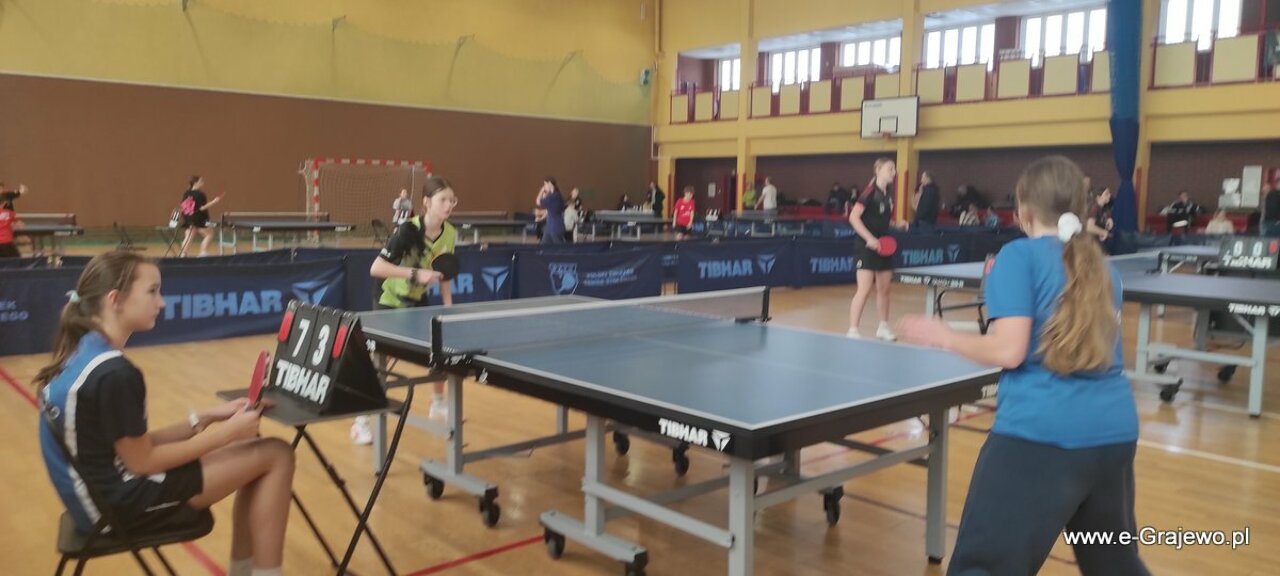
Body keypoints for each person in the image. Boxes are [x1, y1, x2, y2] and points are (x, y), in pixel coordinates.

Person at [896, 156, 1149, 576]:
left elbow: (1009, 350)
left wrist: (943, 336)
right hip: (1114, 435)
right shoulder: (1104, 269)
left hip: (1039, 435)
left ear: (1023, 212)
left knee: (984, 567)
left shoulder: (1017, 257)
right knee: (1114, 564)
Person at [36, 251, 295, 576]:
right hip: (116, 508)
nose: (161, 302)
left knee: (250, 452)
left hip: (95, 497)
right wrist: (227, 435)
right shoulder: (115, 373)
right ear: (115, 300)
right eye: (152, 291)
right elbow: (142, 461)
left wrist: (207, 418)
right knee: (277, 453)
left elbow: (132, 446)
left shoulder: (84, 351)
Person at [364, 175, 458, 432]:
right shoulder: (407, 230)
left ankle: (438, 403)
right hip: (389, 298)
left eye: (452, 200)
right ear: (427, 202)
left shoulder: (450, 233)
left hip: (417, 299)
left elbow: (445, 270)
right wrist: (416, 274)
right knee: (383, 359)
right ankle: (361, 419)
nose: (448, 205)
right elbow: (376, 268)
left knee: (439, 348)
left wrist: (448, 307)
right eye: (443, 200)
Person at [848, 158, 904, 341]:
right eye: (890, 169)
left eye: (894, 169)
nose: (894, 172)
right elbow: (853, 217)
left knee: (884, 289)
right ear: (878, 170)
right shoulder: (869, 192)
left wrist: (896, 224)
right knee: (864, 289)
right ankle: (853, 330)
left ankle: (883, 327)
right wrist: (869, 238)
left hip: (883, 246)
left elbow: (881, 218)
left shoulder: (888, 194)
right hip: (866, 247)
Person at [178, 176, 224, 258]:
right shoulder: (200, 194)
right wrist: (214, 202)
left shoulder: (186, 193)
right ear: (195, 183)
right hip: (199, 219)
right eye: (201, 181)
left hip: (188, 218)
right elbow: (202, 208)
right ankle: (203, 252)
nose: (203, 183)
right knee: (209, 234)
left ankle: (183, 254)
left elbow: (184, 206)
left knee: (188, 237)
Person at [0, 183, 29, 258]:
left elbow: (20, 192)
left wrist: (22, 189)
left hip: (8, 229)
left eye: (1, 188)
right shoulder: (8, 213)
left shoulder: (8, 195)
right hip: (6, 238)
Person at [536, 178, 567, 244]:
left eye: (545, 185)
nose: (544, 187)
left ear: (550, 185)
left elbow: (538, 201)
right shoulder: (556, 196)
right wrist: (541, 218)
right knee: (543, 247)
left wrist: (541, 190)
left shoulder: (554, 196)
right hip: (549, 228)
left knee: (560, 248)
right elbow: (550, 211)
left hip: (555, 228)